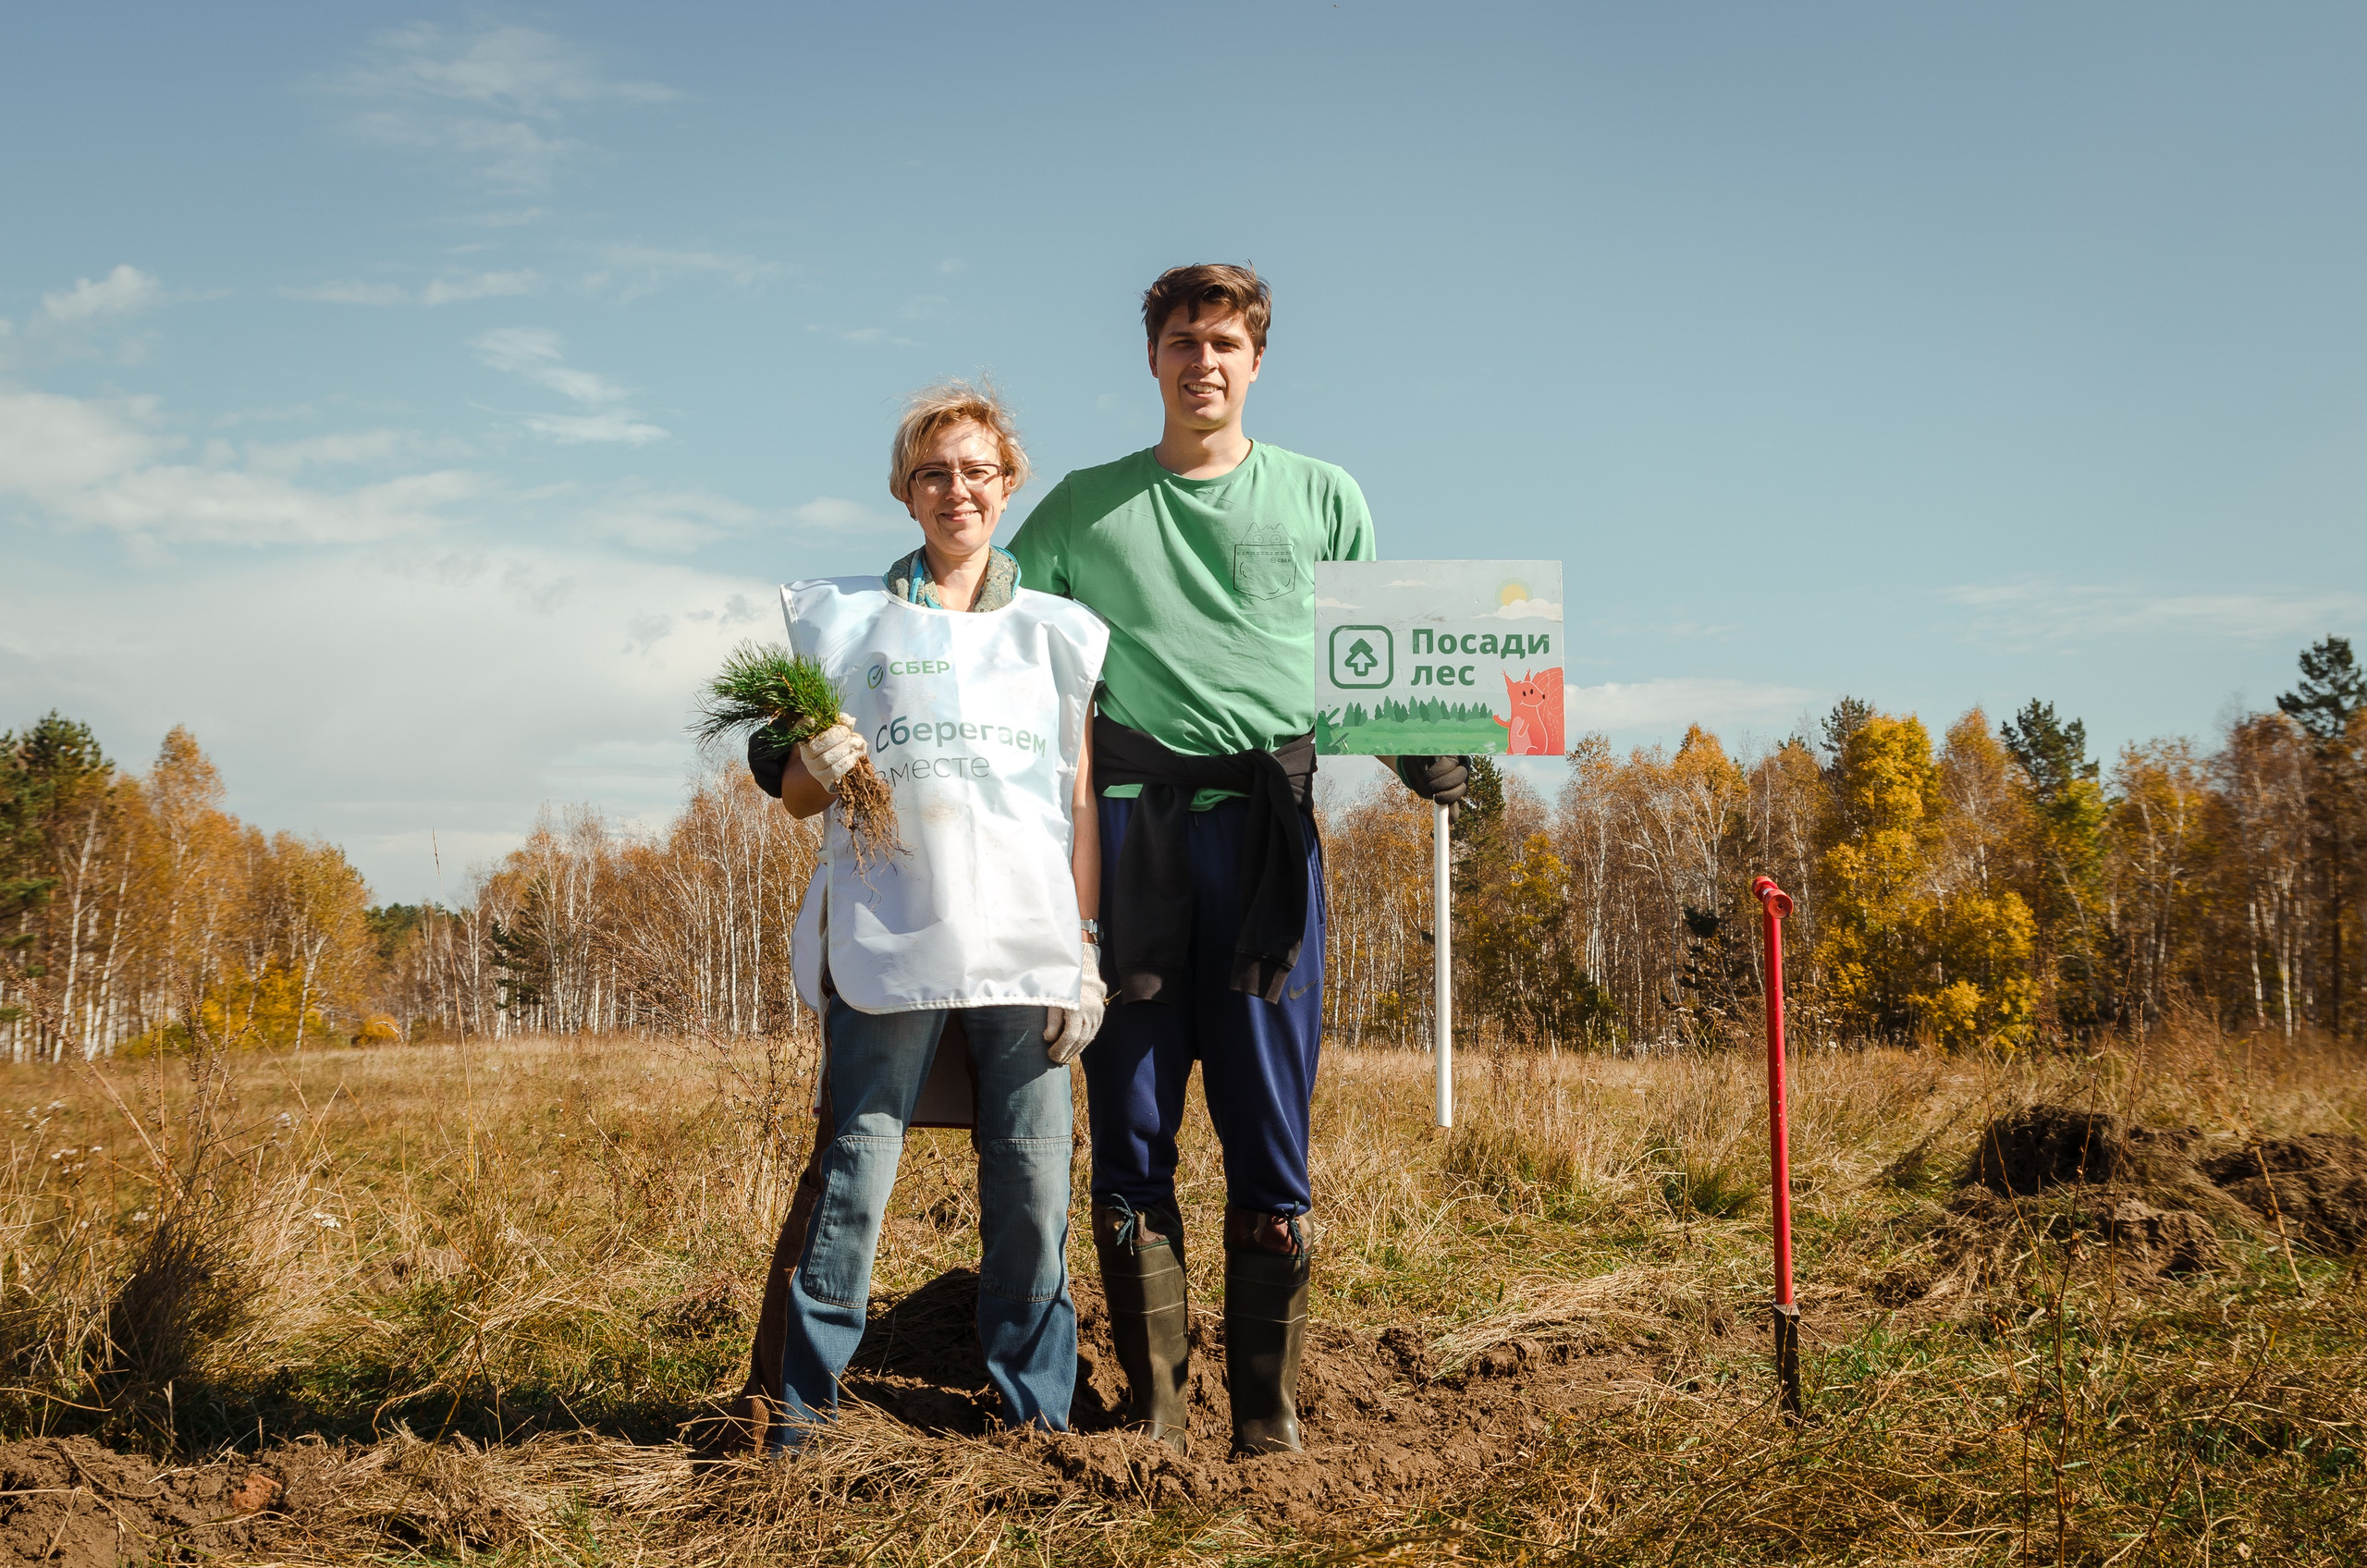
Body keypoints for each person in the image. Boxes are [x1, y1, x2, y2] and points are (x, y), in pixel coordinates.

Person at [1008, 263, 1470, 1457]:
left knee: (1271, 1127)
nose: (1201, 361)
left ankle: (1266, 1417)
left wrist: (1430, 752)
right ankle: (1157, 1415)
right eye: (1180, 340)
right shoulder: (1079, 513)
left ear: (1256, 361)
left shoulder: (1324, 500)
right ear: (1151, 360)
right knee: (1134, 1117)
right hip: (1133, 845)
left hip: (1271, 846)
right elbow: (987, 642)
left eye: (1223, 341)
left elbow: (1372, 666)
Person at [736, 382, 1110, 1449]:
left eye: (978, 471)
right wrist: (813, 763)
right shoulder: (849, 623)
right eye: (935, 472)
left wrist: (1083, 947)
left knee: (1034, 1182)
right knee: (857, 1167)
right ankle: (796, 1416)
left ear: (1007, 485)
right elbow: (795, 794)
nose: (958, 491)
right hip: (892, 934)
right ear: (906, 493)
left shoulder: (1057, 636)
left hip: (1025, 945)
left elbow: (1074, 799)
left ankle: (1033, 1415)